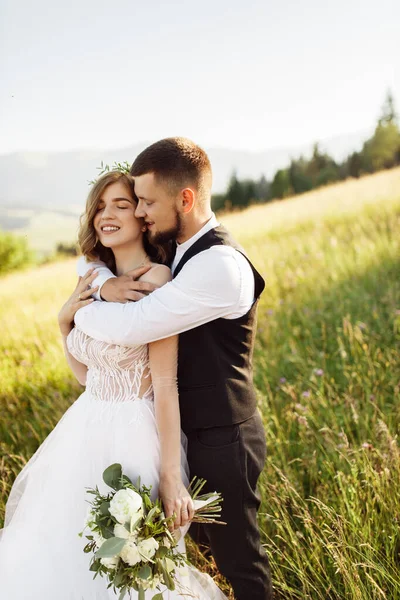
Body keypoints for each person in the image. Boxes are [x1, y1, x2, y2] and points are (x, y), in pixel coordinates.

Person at [0, 170, 227, 600]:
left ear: (143, 217)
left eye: (121, 205)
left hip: (134, 437)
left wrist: (170, 477)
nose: (107, 215)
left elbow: (164, 383)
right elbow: (90, 375)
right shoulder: (91, 281)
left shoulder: (157, 281)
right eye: (100, 207)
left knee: (131, 563)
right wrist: (63, 322)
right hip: (85, 428)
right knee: (68, 552)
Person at [76, 137, 274, 600]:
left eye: (146, 202)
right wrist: (97, 285)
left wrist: (80, 304)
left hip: (223, 438)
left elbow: (134, 326)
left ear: (185, 199)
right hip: (185, 434)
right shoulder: (175, 251)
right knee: (188, 553)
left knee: (239, 561)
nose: (141, 212)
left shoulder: (221, 265)